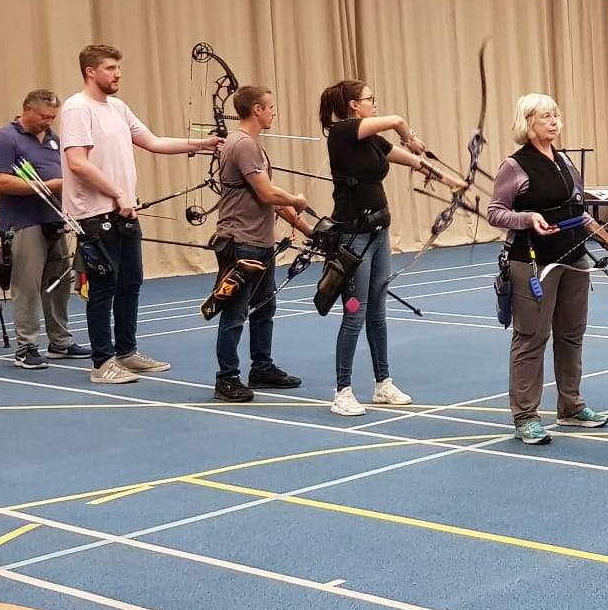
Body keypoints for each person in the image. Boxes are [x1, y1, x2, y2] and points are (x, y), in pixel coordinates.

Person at [58, 43, 222, 385]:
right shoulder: (77, 108)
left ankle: (127, 352)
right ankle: (102, 364)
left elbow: (154, 141)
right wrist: (117, 193)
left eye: (118, 67)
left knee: (131, 281)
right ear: (90, 71)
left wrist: (201, 144)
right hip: (95, 213)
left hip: (124, 210)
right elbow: (77, 162)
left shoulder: (117, 107)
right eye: (109, 68)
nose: (117, 74)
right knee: (104, 286)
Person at [320, 78, 464, 418]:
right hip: (353, 240)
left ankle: (383, 382)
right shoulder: (342, 133)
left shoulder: (370, 141)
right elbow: (398, 122)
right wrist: (405, 129)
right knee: (354, 312)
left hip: (378, 234)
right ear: (354, 106)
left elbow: (409, 160)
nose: (374, 103)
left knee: (377, 313)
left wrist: (449, 181)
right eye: (370, 98)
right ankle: (342, 390)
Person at [485, 93, 608, 445]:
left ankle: (571, 407)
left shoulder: (564, 162)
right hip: (532, 263)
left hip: (573, 259)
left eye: (555, 115)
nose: (553, 121)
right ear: (528, 123)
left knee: (571, 335)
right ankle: (526, 416)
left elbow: (580, 212)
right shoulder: (514, 166)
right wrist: (528, 218)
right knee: (531, 337)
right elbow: (496, 212)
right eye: (545, 116)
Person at [210, 85, 316, 403]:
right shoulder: (243, 144)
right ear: (256, 109)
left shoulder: (251, 145)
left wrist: (307, 228)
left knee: (264, 307)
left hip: (259, 242)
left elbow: (265, 195)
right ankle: (226, 379)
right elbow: (269, 194)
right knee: (235, 311)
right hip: (241, 243)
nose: (273, 113)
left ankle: (262, 367)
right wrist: (296, 199)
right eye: (270, 107)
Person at [0, 91, 88, 370]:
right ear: (27, 110)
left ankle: (60, 342)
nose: (49, 121)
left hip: (54, 220)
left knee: (58, 285)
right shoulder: (6, 138)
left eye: (52, 117)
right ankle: (26, 347)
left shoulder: (54, 139)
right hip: (23, 223)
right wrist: (50, 185)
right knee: (27, 287)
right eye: (44, 116)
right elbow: (0, 182)